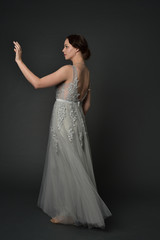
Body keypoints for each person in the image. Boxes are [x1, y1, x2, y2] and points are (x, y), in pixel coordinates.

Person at [13, 34, 112, 229]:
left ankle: (71, 213)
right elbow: (87, 105)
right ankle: (72, 210)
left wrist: (19, 60)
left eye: (66, 46)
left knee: (66, 165)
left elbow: (37, 83)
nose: (63, 50)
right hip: (77, 123)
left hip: (63, 122)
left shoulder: (69, 70)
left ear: (76, 48)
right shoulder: (87, 72)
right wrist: (76, 120)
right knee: (73, 165)